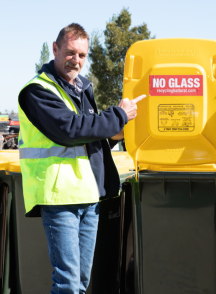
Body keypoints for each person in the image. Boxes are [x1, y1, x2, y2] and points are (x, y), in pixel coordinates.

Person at [18, 23, 145, 294]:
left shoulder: (81, 89)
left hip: (88, 196)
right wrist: (118, 115)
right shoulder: (37, 91)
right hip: (59, 197)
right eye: (70, 52)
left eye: (82, 55)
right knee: (67, 283)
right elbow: (70, 130)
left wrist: (114, 133)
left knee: (80, 283)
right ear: (55, 49)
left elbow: (89, 137)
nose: (76, 60)